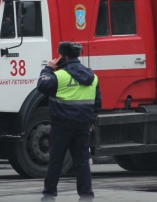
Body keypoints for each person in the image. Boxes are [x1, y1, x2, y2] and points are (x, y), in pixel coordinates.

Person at [37, 41, 101, 200]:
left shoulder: (59, 76)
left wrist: (48, 68)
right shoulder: (93, 77)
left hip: (61, 125)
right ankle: (86, 194)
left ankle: (49, 193)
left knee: (56, 161)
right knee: (82, 162)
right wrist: (90, 122)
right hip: (83, 125)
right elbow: (97, 103)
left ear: (64, 57)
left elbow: (42, 85)